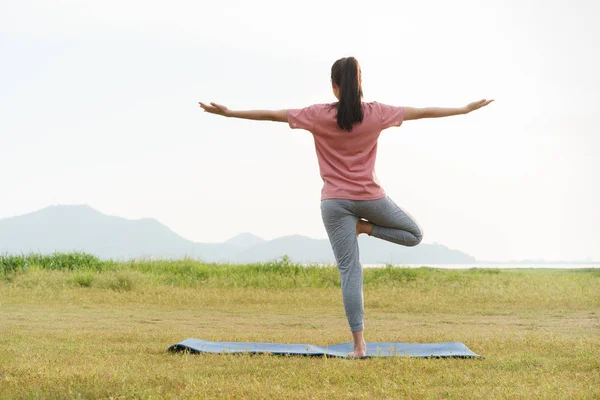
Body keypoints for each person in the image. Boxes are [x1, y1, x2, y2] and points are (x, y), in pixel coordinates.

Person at [199, 56, 493, 358]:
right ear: (360, 83)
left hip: (334, 203)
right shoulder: (376, 113)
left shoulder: (317, 115)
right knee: (414, 234)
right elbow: (423, 112)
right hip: (370, 197)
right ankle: (365, 230)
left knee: (350, 273)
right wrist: (463, 109)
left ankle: (359, 346)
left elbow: (273, 115)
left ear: (334, 86)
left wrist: (230, 113)